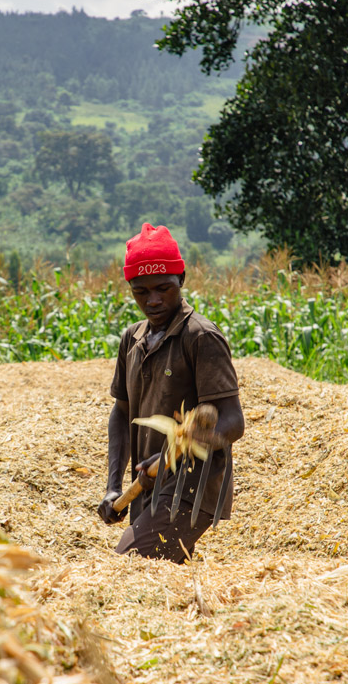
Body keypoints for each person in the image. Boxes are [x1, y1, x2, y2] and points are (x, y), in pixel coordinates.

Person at [98, 222, 244, 564]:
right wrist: (113, 486)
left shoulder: (201, 337)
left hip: (188, 489)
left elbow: (233, 423)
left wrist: (171, 456)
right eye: (141, 291)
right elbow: (121, 413)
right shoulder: (131, 339)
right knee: (162, 577)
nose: (153, 300)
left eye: (163, 288)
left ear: (182, 279)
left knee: (131, 564)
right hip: (148, 488)